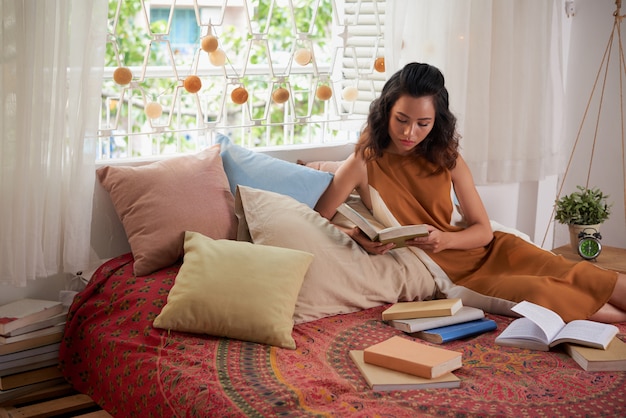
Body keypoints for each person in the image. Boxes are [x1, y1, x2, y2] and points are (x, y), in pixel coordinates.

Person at [315, 62, 626, 324]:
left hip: (489, 247)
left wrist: (445, 238)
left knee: (581, 272)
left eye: (423, 123)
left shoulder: (447, 156)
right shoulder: (362, 162)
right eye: (402, 120)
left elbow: (483, 230)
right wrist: (355, 234)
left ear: (436, 121)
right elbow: (318, 218)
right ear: (386, 112)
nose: (410, 133)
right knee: (548, 293)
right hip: (459, 275)